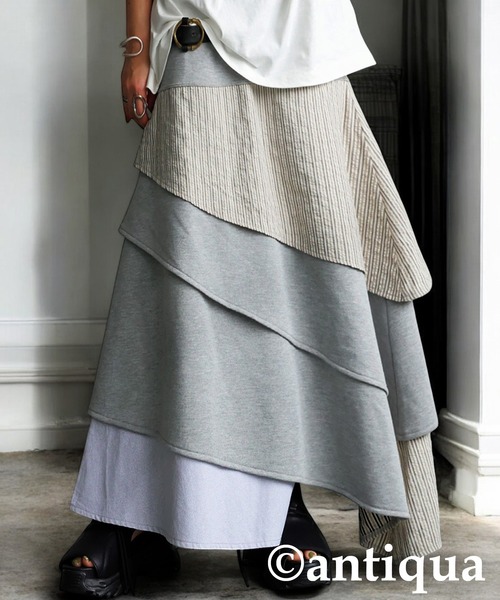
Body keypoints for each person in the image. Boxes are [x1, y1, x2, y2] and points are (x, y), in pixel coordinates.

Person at [58, 0, 442, 596]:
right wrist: (135, 46)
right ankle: (128, 515)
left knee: (303, 283)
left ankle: (278, 505)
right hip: (198, 39)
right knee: (171, 277)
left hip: (308, 51)